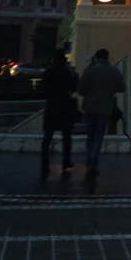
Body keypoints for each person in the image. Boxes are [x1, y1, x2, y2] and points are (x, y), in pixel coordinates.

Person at [77, 48, 126, 178]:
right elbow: (122, 87)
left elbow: (81, 89)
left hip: (90, 107)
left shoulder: (90, 70)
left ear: (96, 57)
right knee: (99, 135)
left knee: (90, 134)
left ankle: (89, 160)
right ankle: (93, 162)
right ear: (107, 58)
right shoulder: (113, 71)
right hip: (105, 107)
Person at [40, 49, 78, 178]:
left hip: (52, 105)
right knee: (66, 136)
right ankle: (66, 161)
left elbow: (44, 89)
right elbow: (73, 88)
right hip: (65, 106)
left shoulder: (49, 72)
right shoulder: (68, 73)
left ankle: (44, 165)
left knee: (47, 138)